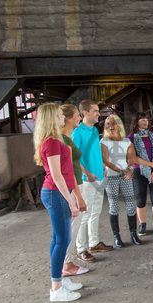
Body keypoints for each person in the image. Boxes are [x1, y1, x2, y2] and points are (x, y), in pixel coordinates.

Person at [33, 103, 82, 302]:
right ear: (52, 118)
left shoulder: (54, 140)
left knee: (59, 239)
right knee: (62, 240)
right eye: (60, 115)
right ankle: (56, 288)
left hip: (58, 192)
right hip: (56, 193)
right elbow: (57, 175)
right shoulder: (52, 142)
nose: (63, 117)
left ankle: (60, 279)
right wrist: (71, 200)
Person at [72, 100, 113, 263]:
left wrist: (102, 165)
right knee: (85, 214)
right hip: (87, 180)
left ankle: (94, 243)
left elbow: (95, 152)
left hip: (99, 176)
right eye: (95, 111)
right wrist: (87, 173)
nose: (98, 113)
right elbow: (73, 158)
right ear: (85, 113)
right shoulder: (78, 133)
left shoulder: (95, 131)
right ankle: (81, 249)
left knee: (95, 211)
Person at [100, 114, 142, 247]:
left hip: (126, 176)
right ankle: (117, 237)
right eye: (108, 124)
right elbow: (105, 161)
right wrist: (122, 171)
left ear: (119, 125)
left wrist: (129, 170)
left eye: (113, 124)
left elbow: (131, 159)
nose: (110, 127)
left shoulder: (126, 142)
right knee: (114, 206)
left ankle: (133, 234)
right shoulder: (103, 142)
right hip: (111, 177)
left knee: (131, 205)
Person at [60, 104, 90, 276]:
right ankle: (67, 264)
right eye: (77, 115)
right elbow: (67, 170)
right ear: (68, 118)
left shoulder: (68, 137)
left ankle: (67, 261)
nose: (79, 117)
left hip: (76, 184)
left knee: (73, 225)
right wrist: (78, 196)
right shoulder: (63, 140)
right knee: (71, 226)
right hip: (73, 186)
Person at [128, 112, 153, 238]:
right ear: (136, 121)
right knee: (141, 198)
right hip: (139, 171)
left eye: (146, 119)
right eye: (142, 119)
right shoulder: (131, 137)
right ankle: (142, 224)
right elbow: (134, 158)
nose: (145, 121)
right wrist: (151, 165)